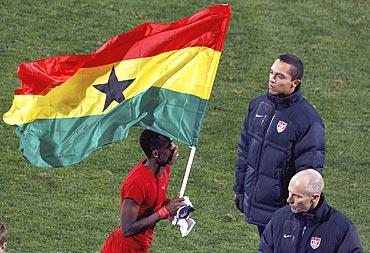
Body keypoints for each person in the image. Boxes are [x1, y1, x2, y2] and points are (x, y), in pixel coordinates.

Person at [234, 54, 325, 236]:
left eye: (280, 76)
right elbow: (244, 152)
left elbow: (308, 173)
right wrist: (240, 189)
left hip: (285, 209)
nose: (272, 79)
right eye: (271, 73)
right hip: (258, 202)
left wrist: (296, 207)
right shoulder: (258, 105)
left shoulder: (308, 120)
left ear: (295, 83)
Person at [101, 129, 185, 253]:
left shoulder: (164, 169)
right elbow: (127, 229)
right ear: (156, 153)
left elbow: (152, 201)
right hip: (123, 249)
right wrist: (165, 211)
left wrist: (175, 206)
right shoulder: (137, 183)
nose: (174, 148)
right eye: (169, 146)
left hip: (140, 247)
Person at [259, 169, 363, 252]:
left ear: (314, 198)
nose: (289, 200)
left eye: (297, 196)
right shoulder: (280, 218)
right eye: (290, 193)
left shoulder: (341, 228)